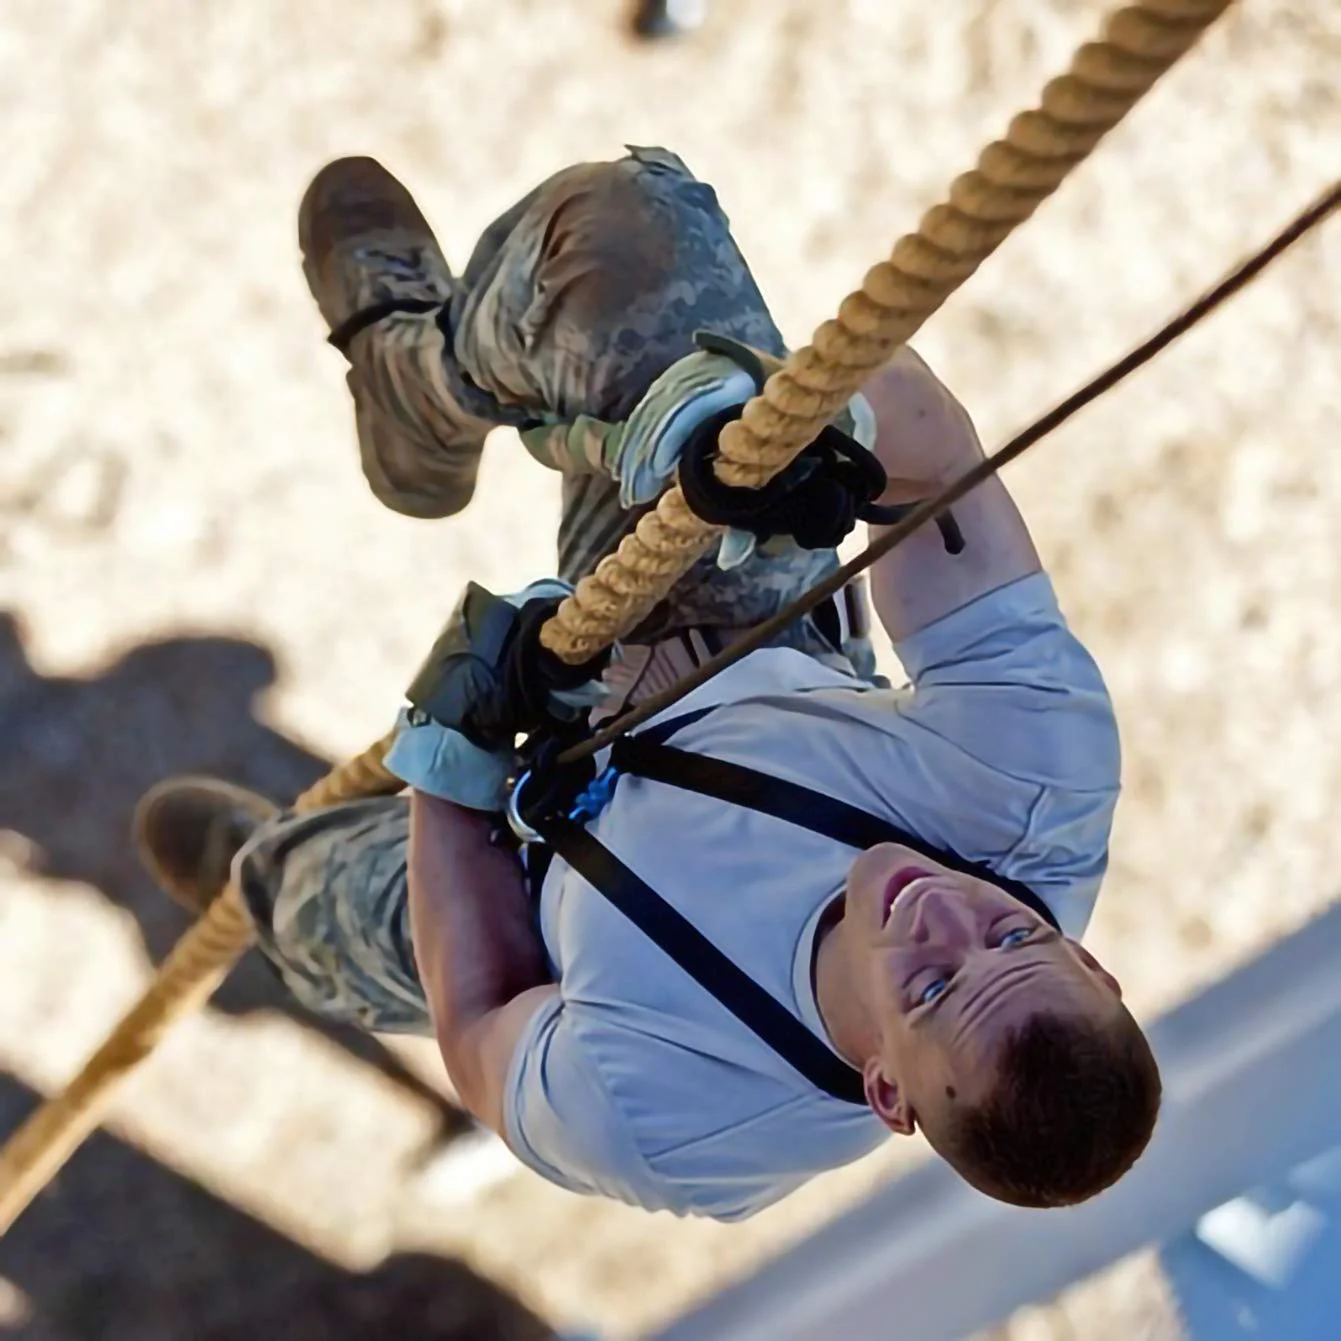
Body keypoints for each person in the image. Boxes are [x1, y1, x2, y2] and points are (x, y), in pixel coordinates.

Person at [135, 148, 1160, 1222]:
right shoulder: (1037, 787)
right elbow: (926, 441)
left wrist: (456, 767)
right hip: (742, 651)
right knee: (625, 235)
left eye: (932, 987)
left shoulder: (683, 1130)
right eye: (1014, 936)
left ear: (889, 1092)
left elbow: (483, 1030)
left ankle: (264, 884)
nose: (943, 913)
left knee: (305, 906)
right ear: (1094, 967)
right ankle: (420, 399)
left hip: (532, 901)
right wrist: (788, 430)